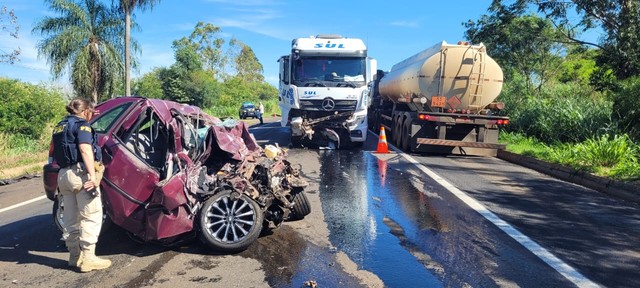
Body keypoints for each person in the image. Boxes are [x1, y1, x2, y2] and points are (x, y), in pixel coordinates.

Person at [51, 98, 110, 273]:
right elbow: (85, 149)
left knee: (70, 217)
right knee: (91, 214)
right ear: (85, 112)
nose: (91, 117)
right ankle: (89, 259)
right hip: (79, 174)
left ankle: (74, 256)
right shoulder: (82, 125)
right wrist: (92, 175)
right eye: (90, 113)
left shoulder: (59, 126)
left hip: (64, 176)